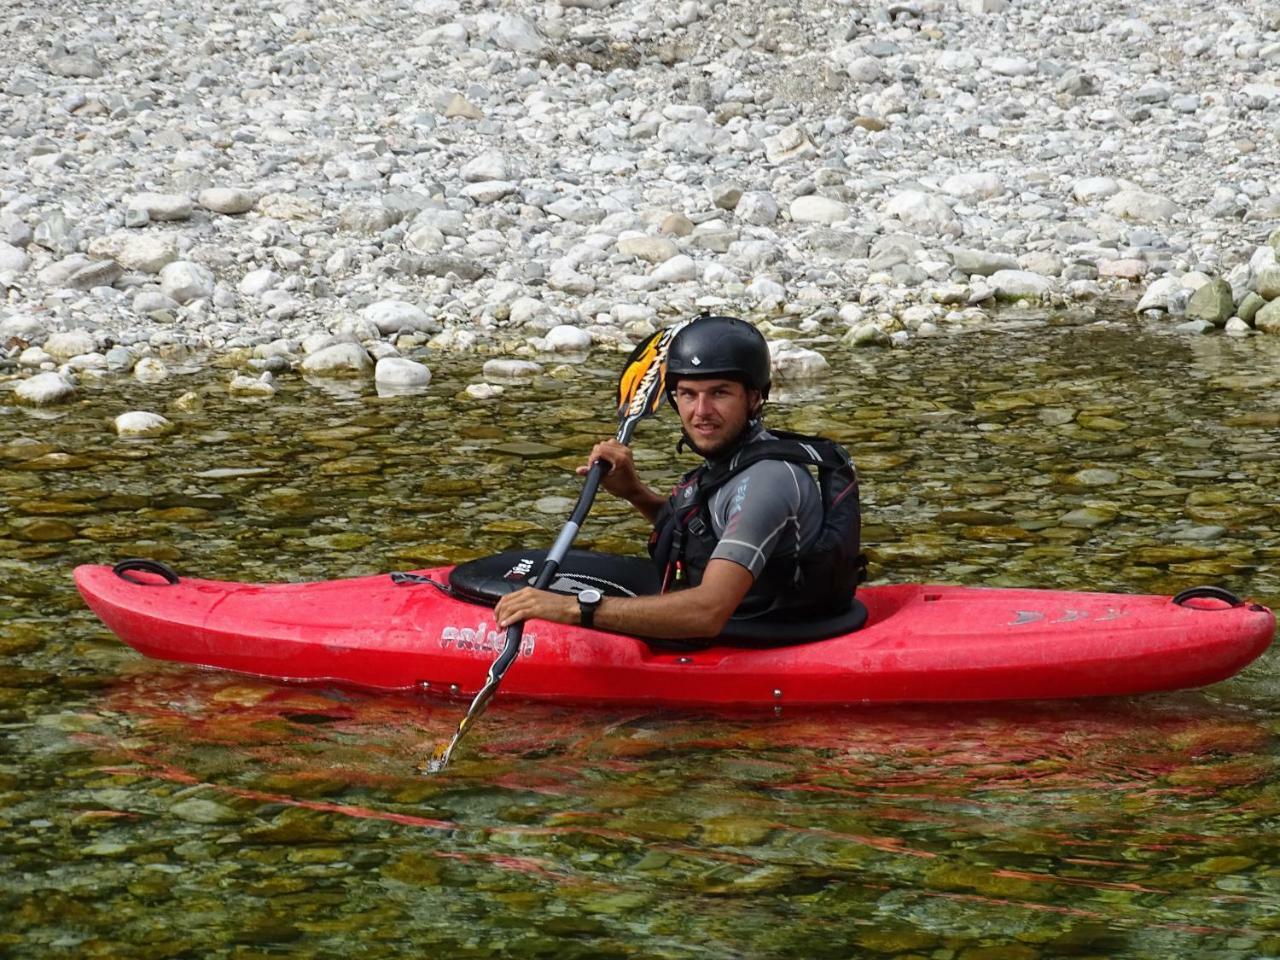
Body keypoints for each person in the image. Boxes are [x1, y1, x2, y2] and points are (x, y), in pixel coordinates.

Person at [494, 314, 861, 641]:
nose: (701, 412)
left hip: (764, 630)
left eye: (719, 393)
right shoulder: (733, 458)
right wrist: (635, 493)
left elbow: (706, 613)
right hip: (747, 612)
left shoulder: (768, 481)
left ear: (753, 398)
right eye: (688, 394)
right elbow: (705, 535)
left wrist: (573, 608)